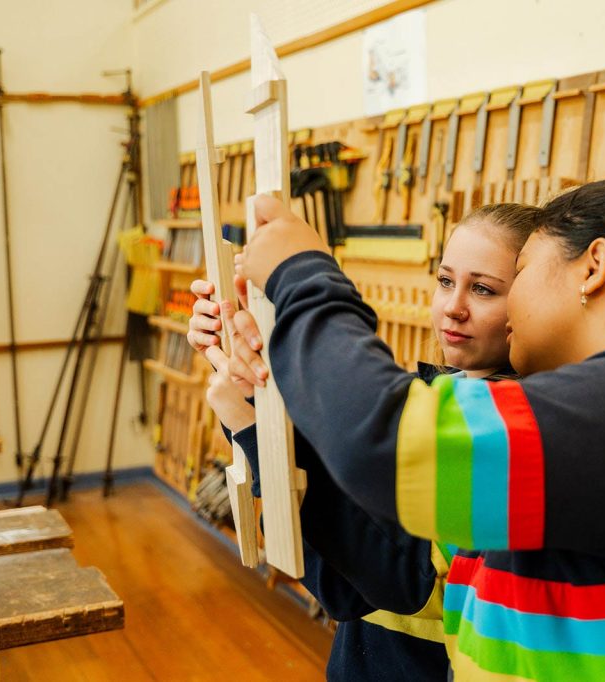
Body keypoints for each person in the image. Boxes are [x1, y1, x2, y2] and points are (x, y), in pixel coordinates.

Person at [227, 178, 605, 680]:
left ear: (593, 266)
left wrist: (302, 274)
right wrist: (265, 375)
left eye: (517, 273)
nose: (502, 309)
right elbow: (377, 518)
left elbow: (383, 445)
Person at [188, 204, 541, 681]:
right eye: (444, 281)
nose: (454, 306)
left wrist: (251, 424)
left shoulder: (501, 426)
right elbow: (324, 540)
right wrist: (247, 367)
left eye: (483, 289)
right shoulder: (432, 398)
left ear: (531, 301)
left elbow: (350, 583)